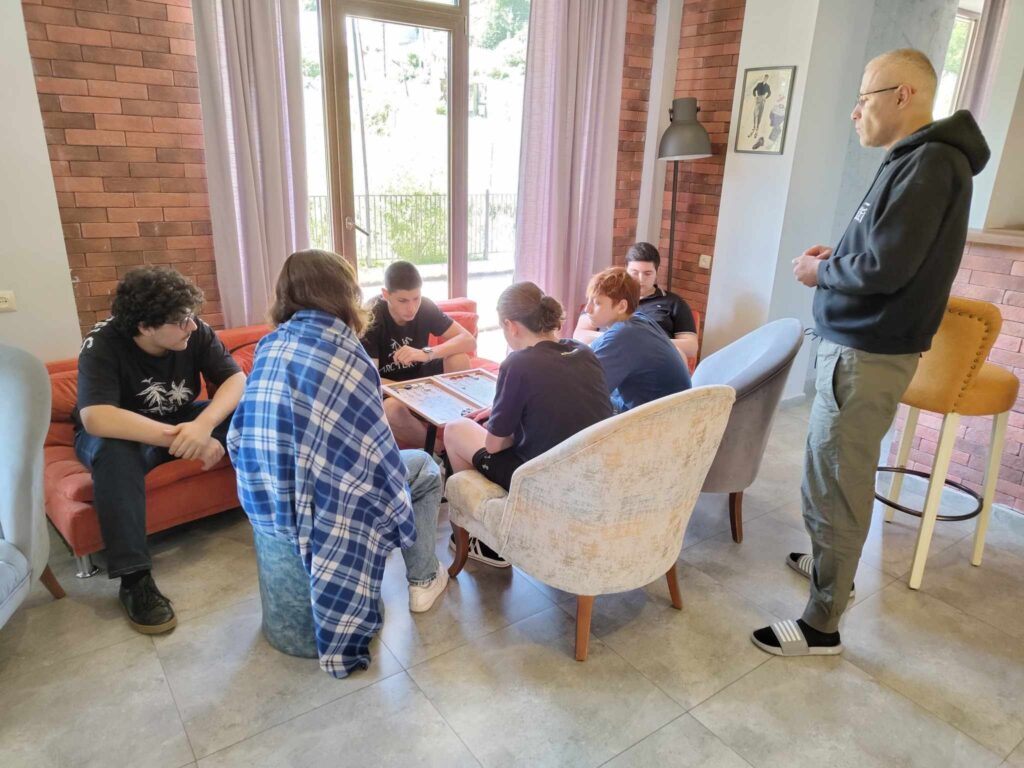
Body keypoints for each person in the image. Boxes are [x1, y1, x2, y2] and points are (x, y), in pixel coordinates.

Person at [751, 49, 990, 656]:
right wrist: (836, 258)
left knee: (836, 480)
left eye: (864, 98)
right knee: (827, 473)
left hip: (865, 353)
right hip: (857, 347)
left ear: (904, 95)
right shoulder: (915, 159)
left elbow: (885, 268)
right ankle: (833, 569)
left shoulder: (931, 162)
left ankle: (821, 624)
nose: (855, 112)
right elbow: (887, 250)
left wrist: (821, 272)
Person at [228, 249, 448, 679]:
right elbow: (376, 454)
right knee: (425, 468)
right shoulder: (346, 352)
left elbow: (241, 432)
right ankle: (423, 579)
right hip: (328, 499)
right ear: (346, 294)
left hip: (267, 488)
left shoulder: (271, 345)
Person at [74, 267, 246, 634]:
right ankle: (134, 580)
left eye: (191, 316)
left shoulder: (196, 332)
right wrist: (182, 439)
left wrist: (203, 427)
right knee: (113, 453)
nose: (192, 326)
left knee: (257, 410)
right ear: (145, 326)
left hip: (182, 419)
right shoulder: (102, 344)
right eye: (181, 320)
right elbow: (97, 417)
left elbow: (236, 379)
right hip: (126, 432)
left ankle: (281, 513)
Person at [443, 282, 612, 567]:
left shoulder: (518, 364)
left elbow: (494, 446)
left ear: (510, 325)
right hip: (590, 474)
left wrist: (503, 426)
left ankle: (485, 540)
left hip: (542, 481)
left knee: (455, 429)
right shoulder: (583, 352)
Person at [362, 260, 476, 447]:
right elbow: (370, 379)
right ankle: (440, 449)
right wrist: (415, 390)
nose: (411, 308)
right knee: (391, 410)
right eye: (403, 301)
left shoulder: (425, 307)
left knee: (459, 359)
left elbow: (468, 340)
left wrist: (427, 353)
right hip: (391, 385)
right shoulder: (371, 317)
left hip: (421, 374)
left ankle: (459, 427)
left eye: (416, 298)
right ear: (386, 294)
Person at [582, 267, 691, 413]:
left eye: (596, 303)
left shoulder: (623, 336)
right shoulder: (639, 320)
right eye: (588, 301)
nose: (587, 309)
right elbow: (592, 351)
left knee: (576, 400)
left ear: (621, 306)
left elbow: (587, 389)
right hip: (675, 411)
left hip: (651, 420)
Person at [573, 242, 698, 361]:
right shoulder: (608, 296)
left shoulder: (674, 302)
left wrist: (645, 340)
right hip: (607, 355)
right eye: (634, 273)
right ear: (626, 270)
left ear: (657, 272)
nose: (640, 279)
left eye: (647, 274)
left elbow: (691, 347)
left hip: (652, 360)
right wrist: (618, 338)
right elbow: (579, 335)